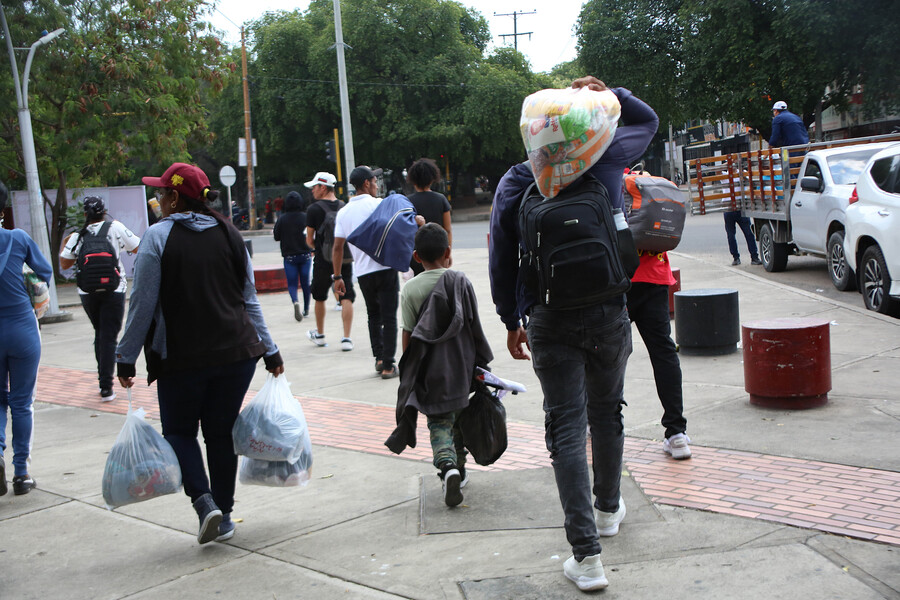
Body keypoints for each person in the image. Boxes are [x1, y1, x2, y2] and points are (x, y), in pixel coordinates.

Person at [489, 76, 657, 592]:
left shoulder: (517, 181)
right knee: (608, 411)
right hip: (608, 311)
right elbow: (647, 121)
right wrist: (612, 91)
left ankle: (586, 559)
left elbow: (502, 256)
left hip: (548, 318)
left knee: (566, 427)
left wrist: (508, 318)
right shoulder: (604, 160)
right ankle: (608, 509)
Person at [116, 162, 283, 545]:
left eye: (160, 193)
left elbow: (142, 303)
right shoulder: (230, 233)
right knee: (220, 433)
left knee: (178, 431)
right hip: (238, 353)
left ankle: (204, 503)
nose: (157, 199)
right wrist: (270, 350)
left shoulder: (157, 238)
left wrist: (125, 357)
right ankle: (223, 515)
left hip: (182, 359)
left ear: (174, 198)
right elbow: (249, 301)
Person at [387, 223, 492, 506]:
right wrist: (481, 365)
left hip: (429, 371)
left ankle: (448, 468)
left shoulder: (410, 289)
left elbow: (408, 334)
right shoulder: (461, 281)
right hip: (461, 367)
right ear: (448, 251)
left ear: (416, 257)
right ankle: (460, 469)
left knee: (439, 423)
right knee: (458, 419)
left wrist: (409, 373)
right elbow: (474, 328)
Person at [59, 197, 140, 401]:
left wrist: (67, 242)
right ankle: (106, 387)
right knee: (109, 336)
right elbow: (138, 247)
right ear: (104, 212)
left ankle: (103, 381)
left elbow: (65, 263)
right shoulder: (115, 227)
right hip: (114, 288)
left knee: (101, 333)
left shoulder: (79, 235)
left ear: (85, 214)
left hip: (88, 292)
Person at [0, 180, 52, 496]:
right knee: (22, 403)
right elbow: (44, 271)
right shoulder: (17, 238)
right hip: (21, 329)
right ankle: (21, 474)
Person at [332, 166, 401, 379]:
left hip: (362, 273)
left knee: (374, 315)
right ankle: (389, 365)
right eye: (374, 181)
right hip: (386, 268)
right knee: (389, 317)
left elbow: (337, 247)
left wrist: (337, 277)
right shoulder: (379, 205)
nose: (376, 185)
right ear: (366, 184)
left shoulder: (343, 212)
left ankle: (379, 358)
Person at [626, 250, 691, 459]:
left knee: (607, 352)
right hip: (654, 274)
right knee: (663, 352)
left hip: (616, 276)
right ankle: (676, 433)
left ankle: (599, 421)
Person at [304, 172, 355, 350]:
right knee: (346, 295)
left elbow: (309, 239)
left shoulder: (313, 210)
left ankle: (320, 334)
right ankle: (346, 338)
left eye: (314, 187)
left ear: (323, 187)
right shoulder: (344, 206)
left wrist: (315, 247)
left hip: (322, 258)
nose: (312, 191)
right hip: (343, 258)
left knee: (319, 296)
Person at [406, 158, 452, 275]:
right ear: (432, 179)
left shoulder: (407, 202)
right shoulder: (441, 199)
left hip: (417, 254)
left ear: (413, 180)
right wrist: (448, 254)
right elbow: (447, 229)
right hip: (439, 253)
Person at [273, 191, 312, 322]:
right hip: (305, 254)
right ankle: (306, 309)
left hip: (289, 257)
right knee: (306, 283)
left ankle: (295, 301)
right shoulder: (305, 217)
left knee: (292, 284)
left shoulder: (282, 219)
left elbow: (276, 236)